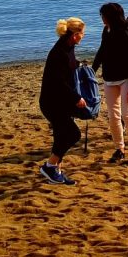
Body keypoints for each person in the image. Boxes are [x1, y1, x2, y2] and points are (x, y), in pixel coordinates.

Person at [38, 17, 88, 185]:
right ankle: (50, 165)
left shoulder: (68, 47)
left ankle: (56, 172)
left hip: (59, 102)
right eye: (82, 33)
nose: (83, 36)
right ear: (74, 34)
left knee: (61, 135)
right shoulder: (59, 52)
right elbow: (59, 82)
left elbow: (70, 66)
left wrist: (81, 66)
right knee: (73, 134)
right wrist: (77, 98)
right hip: (52, 103)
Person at [94, 2, 128, 165]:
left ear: (110, 17)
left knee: (127, 115)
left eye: (103, 16)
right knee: (113, 116)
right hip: (109, 79)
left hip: (127, 79)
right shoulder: (106, 30)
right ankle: (119, 149)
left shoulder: (125, 32)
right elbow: (101, 51)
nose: (102, 19)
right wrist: (92, 71)